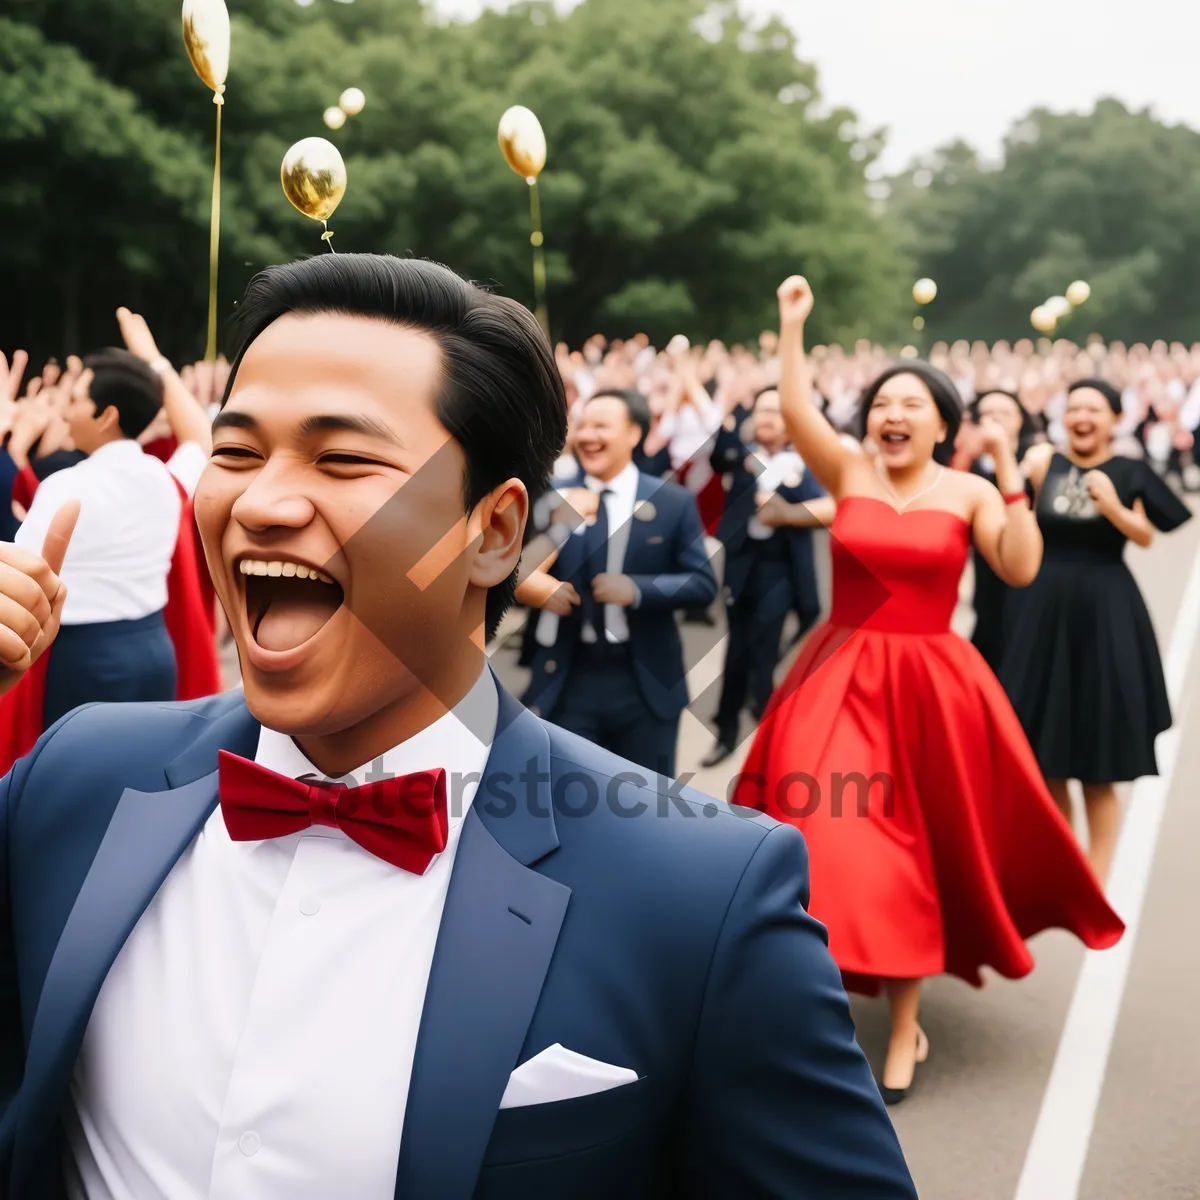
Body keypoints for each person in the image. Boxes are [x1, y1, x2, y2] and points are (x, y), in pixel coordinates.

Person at [0, 254, 917, 1200]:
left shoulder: (702, 896)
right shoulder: (73, 780)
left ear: (492, 531)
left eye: (343, 458)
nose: (263, 503)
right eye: (235, 453)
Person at [735, 276, 1124, 1107]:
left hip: (931, 687)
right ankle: (808, 1002)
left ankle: (906, 1020)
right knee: (820, 833)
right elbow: (799, 407)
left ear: (943, 425)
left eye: (912, 403)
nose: (893, 413)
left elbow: (1018, 566)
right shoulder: (846, 469)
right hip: (836, 675)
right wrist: (793, 326)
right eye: (883, 401)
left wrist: (1009, 473)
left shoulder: (973, 491)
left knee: (908, 851)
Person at [1000, 378, 1192, 880]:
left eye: (1094, 409)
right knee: (1048, 757)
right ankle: (1064, 863)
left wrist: (1112, 508)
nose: (1082, 417)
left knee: (1098, 760)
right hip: (1043, 609)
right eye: (1075, 408)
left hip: (1106, 609)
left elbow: (1151, 535)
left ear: (1114, 417)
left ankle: (1097, 873)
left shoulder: (1129, 470)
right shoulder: (1045, 464)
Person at [7, 329, 211, 729]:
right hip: (155, 650)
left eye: (76, 400)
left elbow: (19, 574)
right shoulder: (165, 478)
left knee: (76, 780)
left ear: (108, 416)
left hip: (83, 659)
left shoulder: (65, 487)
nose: (65, 413)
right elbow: (202, 439)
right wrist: (154, 360)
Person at [521, 388, 717, 778]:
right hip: (570, 675)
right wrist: (562, 524)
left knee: (644, 808)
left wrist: (638, 589)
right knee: (566, 800)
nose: (588, 436)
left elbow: (702, 583)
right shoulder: (553, 496)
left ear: (634, 434)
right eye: (582, 425)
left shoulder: (672, 502)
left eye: (601, 426)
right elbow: (516, 572)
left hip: (645, 682)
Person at [702, 386, 830, 767]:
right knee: (738, 651)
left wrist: (786, 498)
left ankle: (769, 734)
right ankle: (727, 731)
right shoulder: (742, 456)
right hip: (743, 564)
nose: (768, 418)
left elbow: (818, 499)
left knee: (764, 650)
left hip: (782, 569)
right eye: (761, 411)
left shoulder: (806, 461)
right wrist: (727, 416)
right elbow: (718, 458)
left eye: (777, 411)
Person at [959, 388, 1043, 672]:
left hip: (1030, 561)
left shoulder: (1037, 459)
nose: (995, 419)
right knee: (989, 622)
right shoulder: (966, 463)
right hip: (985, 562)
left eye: (1004, 413)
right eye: (987, 414)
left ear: (1020, 419)